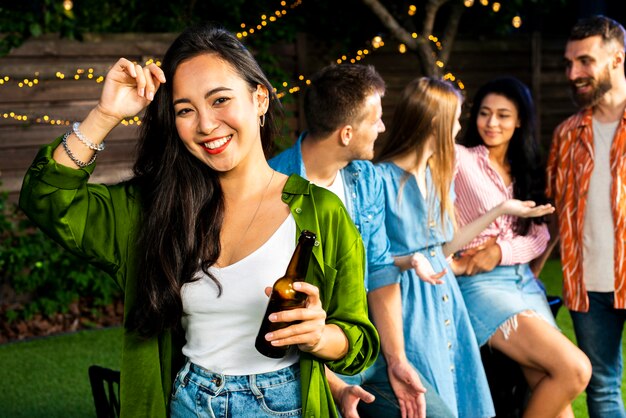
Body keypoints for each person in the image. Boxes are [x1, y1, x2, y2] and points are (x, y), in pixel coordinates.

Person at [18, 24, 379, 418]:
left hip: (287, 406)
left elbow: (356, 339)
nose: (206, 125)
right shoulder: (155, 209)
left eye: (220, 99)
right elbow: (47, 198)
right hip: (188, 402)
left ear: (259, 99)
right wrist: (104, 116)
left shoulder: (321, 211)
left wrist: (319, 336)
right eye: (185, 110)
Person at [270, 64, 454, 418]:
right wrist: (335, 386)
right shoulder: (275, 189)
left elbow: (381, 271)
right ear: (347, 133)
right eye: (376, 120)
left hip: (369, 354)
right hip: (309, 367)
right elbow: (276, 317)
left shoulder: (365, 178)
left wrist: (397, 360)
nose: (382, 128)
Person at [371, 76, 556, 418]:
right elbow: (372, 262)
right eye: (455, 117)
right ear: (436, 123)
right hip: (409, 304)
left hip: (446, 299)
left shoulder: (436, 175)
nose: (461, 125)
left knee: (460, 399)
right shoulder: (379, 179)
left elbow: (444, 249)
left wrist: (500, 210)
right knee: (429, 399)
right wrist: (409, 260)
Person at [454, 76, 591, 417]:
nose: (492, 123)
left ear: (519, 121)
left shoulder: (527, 170)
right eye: (484, 113)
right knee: (575, 369)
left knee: (555, 390)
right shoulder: (460, 159)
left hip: (524, 284)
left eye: (503, 115)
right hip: (481, 287)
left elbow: (540, 235)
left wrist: (501, 250)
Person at [545, 15, 626, 418]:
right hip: (587, 288)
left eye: (585, 61)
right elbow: (553, 216)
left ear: (616, 58)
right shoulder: (565, 134)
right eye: (568, 62)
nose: (574, 73)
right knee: (603, 388)